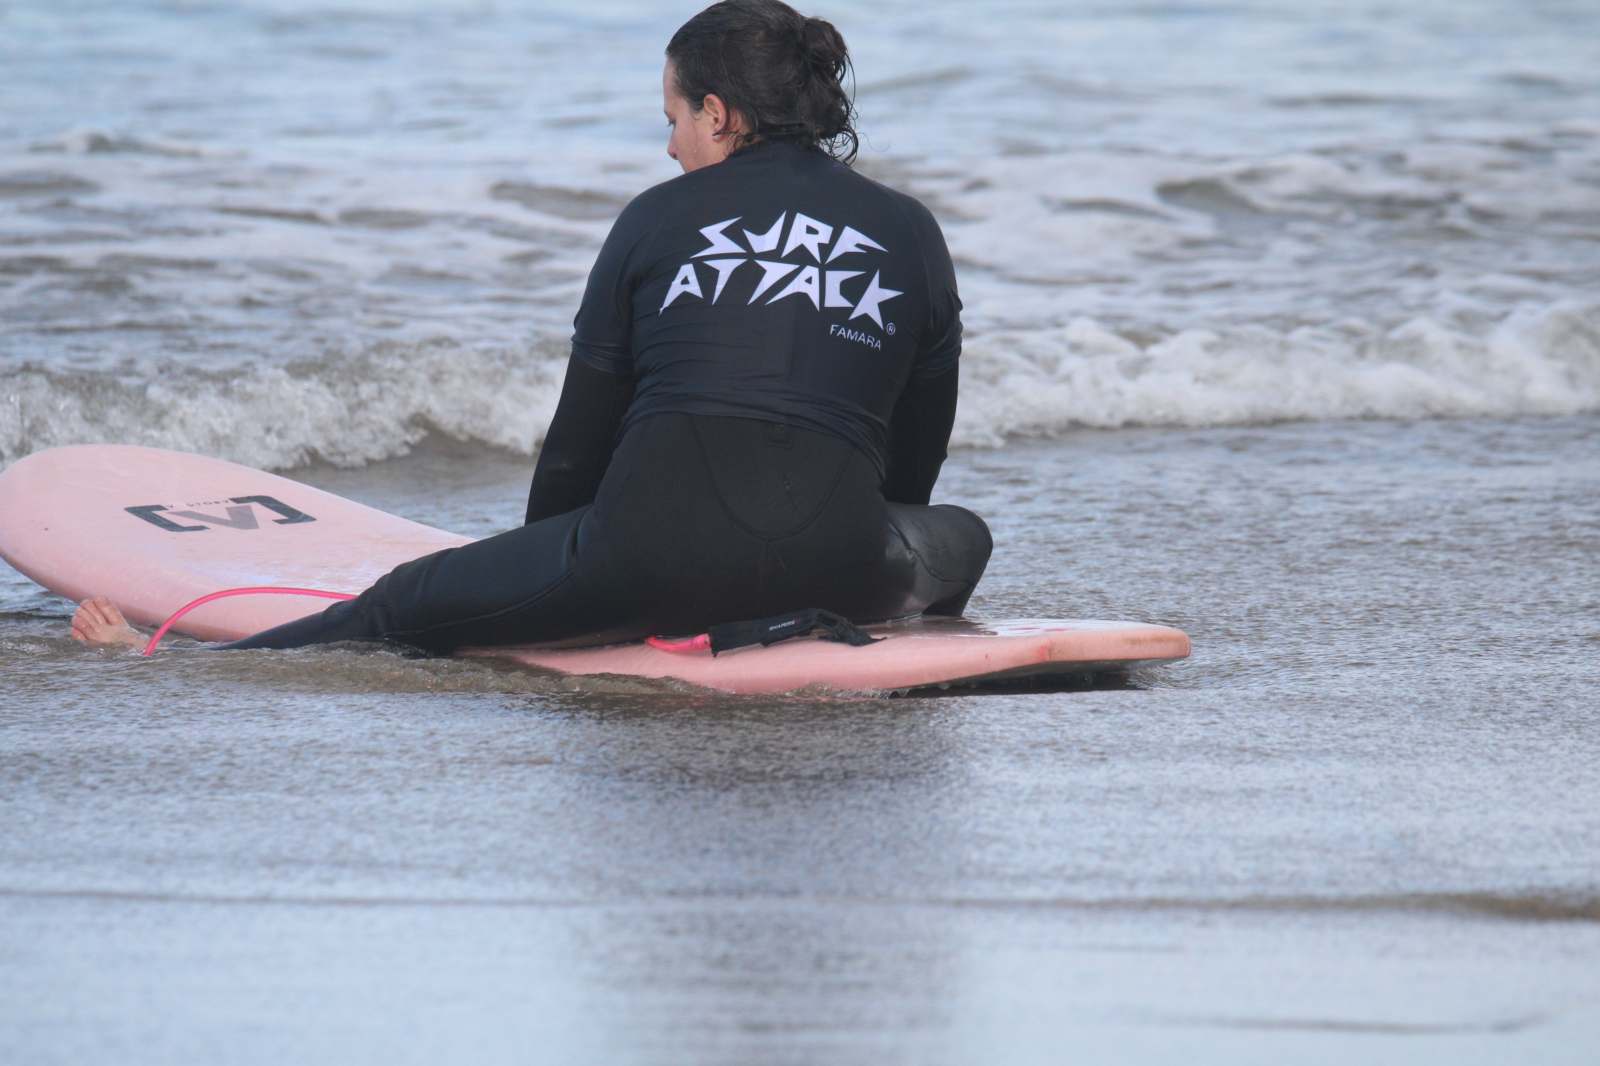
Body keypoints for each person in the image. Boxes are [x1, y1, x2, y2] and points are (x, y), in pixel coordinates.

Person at [72, 0, 991, 654]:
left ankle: (182, 660)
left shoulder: (656, 217)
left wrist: (548, 572)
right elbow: (920, 445)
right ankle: (842, 597)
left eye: (673, 118)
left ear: (719, 113)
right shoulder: (911, 228)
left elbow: (580, 433)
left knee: (394, 609)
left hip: (642, 564)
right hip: (843, 565)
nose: (669, 145)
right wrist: (859, 538)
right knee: (965, 535)